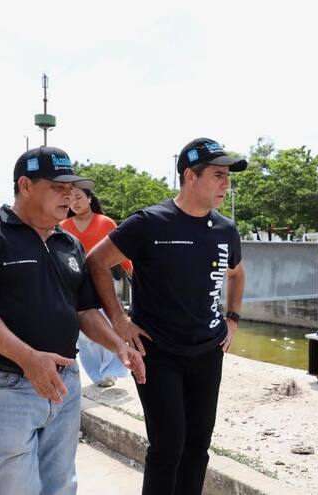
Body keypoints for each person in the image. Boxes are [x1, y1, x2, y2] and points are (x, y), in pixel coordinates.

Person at [0, 146, 146, 495]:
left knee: (60, 484)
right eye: (57, 187)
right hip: (3, 382)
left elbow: (83, 312)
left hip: (64, 383)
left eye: (72, 188)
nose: (69, 195)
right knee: (14, 487)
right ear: (25, 185)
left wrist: (118, 345)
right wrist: (28, 358)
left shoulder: (69, 243)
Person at [87, 137, 247, 495]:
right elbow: (97, 262)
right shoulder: (150, 223)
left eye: (228, 177)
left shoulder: (225, 229)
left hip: (207, 352)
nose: (227, 184)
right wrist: (120, 321)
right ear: (190, 176)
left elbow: (236, 273)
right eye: (218, 175)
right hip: (157, 351)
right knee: (168, 446)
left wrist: (233, 318)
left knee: (197, 448)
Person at [61, 188, 133, 387]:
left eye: (79, 197)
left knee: (110, 325)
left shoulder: (106, 223)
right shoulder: (62, 226)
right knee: (86, 336)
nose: (74, 203)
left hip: (105, 282)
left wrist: (133, 272)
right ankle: (98, 375)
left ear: (90, 198)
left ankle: (112, 369)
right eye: (70, 199)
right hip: (76, 285)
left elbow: (122, 253)